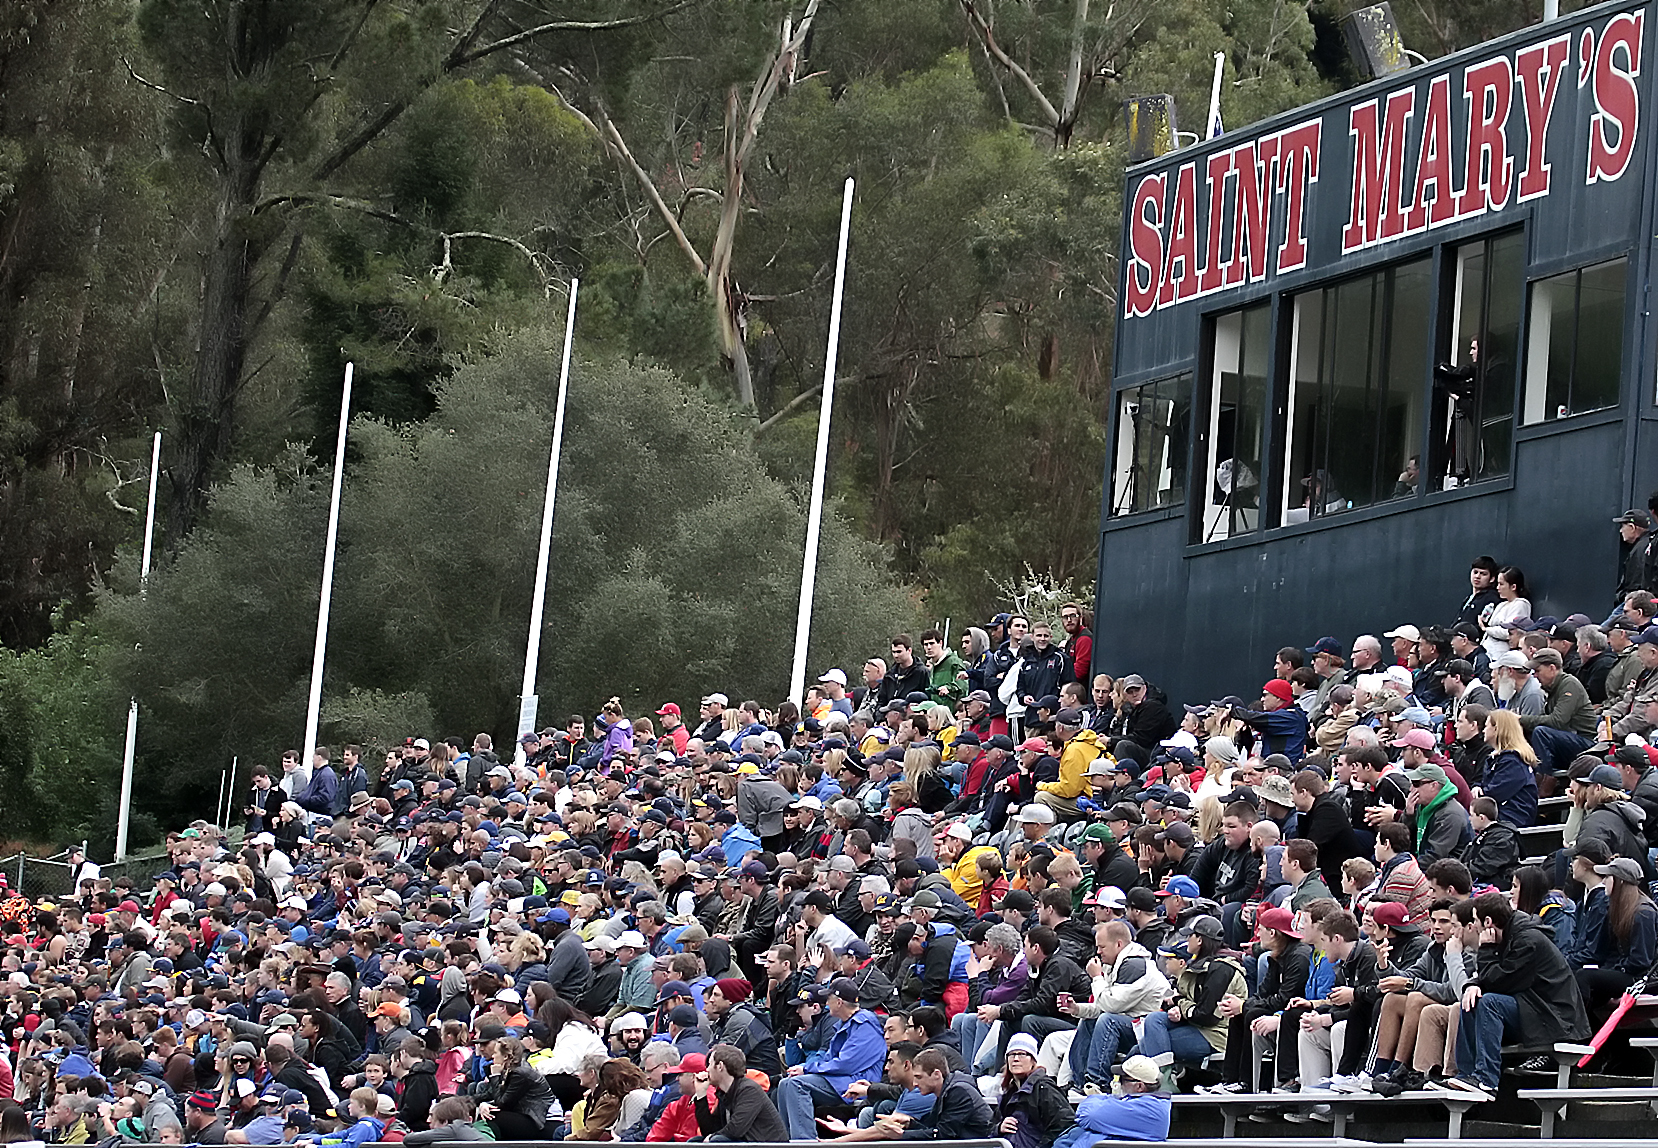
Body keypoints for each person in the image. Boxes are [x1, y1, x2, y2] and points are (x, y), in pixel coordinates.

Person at [1438, 892, 1590, 1098]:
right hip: (1531, 1004)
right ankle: (1466, 1074)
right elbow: (1495, 977)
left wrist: (1486, 951)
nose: (1474, 925)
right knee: (1471, 999)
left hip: (1554, 1015)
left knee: (1489, 1002)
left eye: (1475, 920)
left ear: (1488, 922)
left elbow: (1501, 982)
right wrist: (1473, 984)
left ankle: (1486, 1079)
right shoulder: (1510, 934)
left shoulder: (1527, 940)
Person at [776, 977, 887, 1138]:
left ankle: (805, 1142)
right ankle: (786, 1140)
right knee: (784, 1084)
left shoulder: (865, 1024)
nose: (826, 1003)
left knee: (797, 1084)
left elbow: (847, 1064)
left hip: (857, 1081)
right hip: (840, 1078)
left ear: (839, 1002)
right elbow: (828, 1059)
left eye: (829, 998)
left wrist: (807, 1068)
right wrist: (804, 1069)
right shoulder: (844, 1023)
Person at [1137, 916, 1245, 1080]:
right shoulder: (1198, 965)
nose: (1187, 940)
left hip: (1217, 1035)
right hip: (1195, 1026)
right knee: (1154, 1020)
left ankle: (1161, 1082)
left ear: (1200, 940)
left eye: (1190, 936)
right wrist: (1175, 1009)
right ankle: (1161, 1079)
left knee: (1144, 1048)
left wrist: (1179, 1003)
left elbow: (1205, 1016)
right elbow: (1178, 999)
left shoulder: (1221, 969)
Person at [996, 1033, 1074, 1148]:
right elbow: (989, 1127)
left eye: (1022, 1054)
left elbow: (1064, 1123)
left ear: (1033, 1060)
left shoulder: (1044, 1087)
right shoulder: (1009, 1092)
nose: (1016, 1059)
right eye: (1012, 1054)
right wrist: (999, 1127)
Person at [475, 1037, 554, 1140]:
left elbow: (503, 1103)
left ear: (506, 1056)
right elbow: (491, 1095)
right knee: (484, 1111)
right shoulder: (510, 1070)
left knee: (492, 1116)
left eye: (495, 1052)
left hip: (540, 1120)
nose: (493, 1056)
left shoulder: (520, 1073)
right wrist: (482, 1104)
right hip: (525, 1114)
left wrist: (495, 1075)